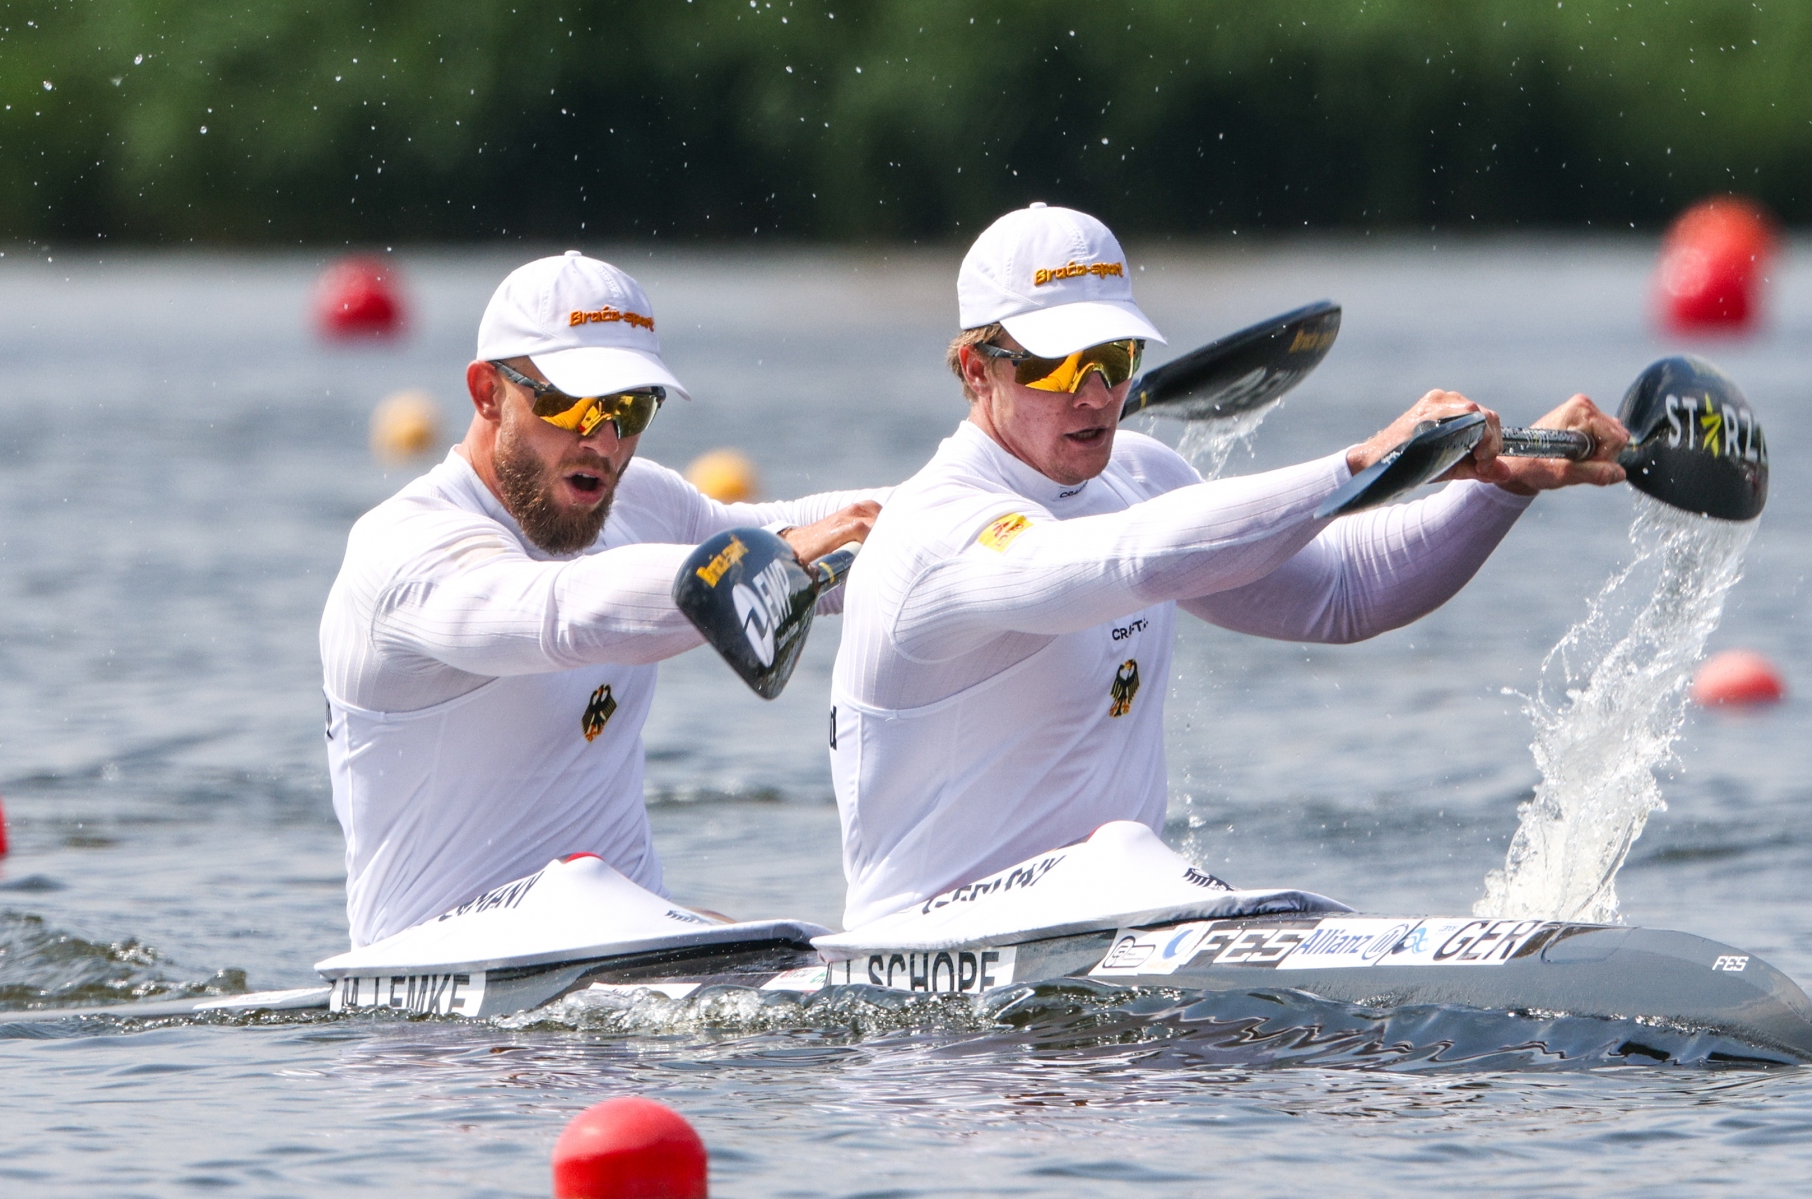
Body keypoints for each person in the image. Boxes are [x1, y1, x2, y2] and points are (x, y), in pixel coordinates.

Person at [828, 204, 1627, 929]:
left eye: (1115, 355)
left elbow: (1345, 593)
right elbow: (1128, 559)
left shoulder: (1137, 477)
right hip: (930, 1002)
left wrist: (1504, 489)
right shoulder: (936, 528)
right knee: (1123, 854)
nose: (1098, 394)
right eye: (1058, 365)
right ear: (977, 369)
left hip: (1107, 957)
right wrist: (1360, 463)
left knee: (1126, 856)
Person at [322, 251, 879, 947]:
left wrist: (980, 520)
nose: (604, 440)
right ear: (487, 391)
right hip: (442, 1026)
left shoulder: (644, 502)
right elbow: (563, 615)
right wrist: (780, 554)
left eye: (630, 406)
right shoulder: (403, 551)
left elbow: (824, 530)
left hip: (633, 975)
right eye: (570, 403)